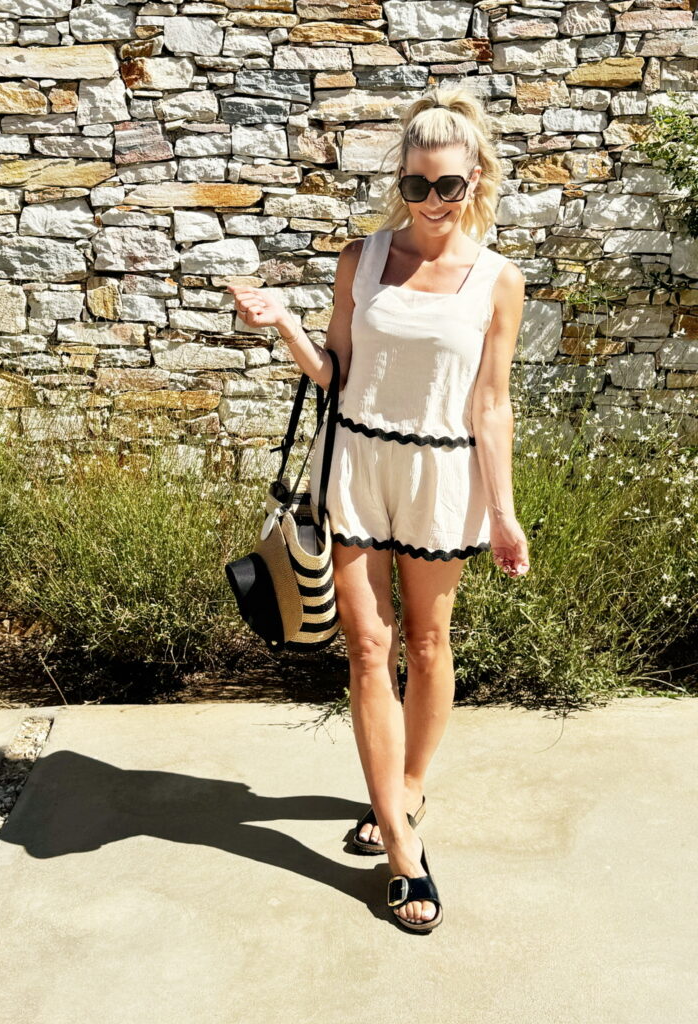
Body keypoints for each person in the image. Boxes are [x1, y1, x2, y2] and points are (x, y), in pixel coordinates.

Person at [227, 85, 530, 933]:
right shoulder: (360, 260)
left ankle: (408, 786)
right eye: (417, 185)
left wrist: (503, 512)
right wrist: (282, 320)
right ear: (399, 182)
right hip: (355, 463)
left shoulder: (497, 281)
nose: (432, 202)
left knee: (429, 645)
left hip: (443, 476)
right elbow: (335, 371)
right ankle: (401, 849)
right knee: (369, 646)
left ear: (476, 180)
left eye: (449, 186)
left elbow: (491, 406)